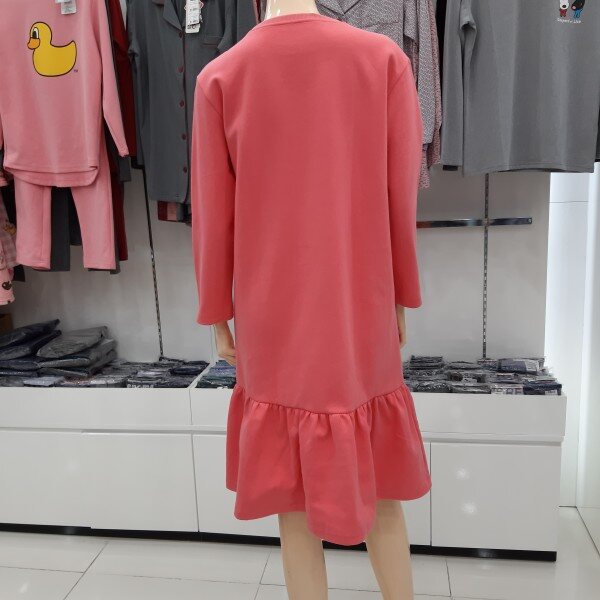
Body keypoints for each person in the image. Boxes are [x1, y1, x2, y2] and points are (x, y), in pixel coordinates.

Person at [191, 1, 431, 597]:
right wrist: (401, 294)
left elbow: (213, 217)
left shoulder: (221, 76)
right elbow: (401, 197)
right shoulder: (382, 60)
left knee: (291, 499)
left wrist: (217, 312)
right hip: (359, 302)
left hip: (270, 310)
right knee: (380, 486)